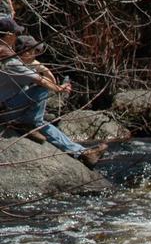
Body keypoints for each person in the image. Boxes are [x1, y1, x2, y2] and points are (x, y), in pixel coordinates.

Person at [0, 22, 106, 167]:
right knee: (41, 90)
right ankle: (28, 123)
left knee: (42, 124)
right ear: (8, 36)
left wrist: (42, 68)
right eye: (15, 33)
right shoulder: (12, 63)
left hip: (9, 106)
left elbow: (44, 74)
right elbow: (42, 82)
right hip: (6, 110)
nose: (16, 36)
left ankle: (82, 153)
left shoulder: (8, 58)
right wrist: (59, 89)